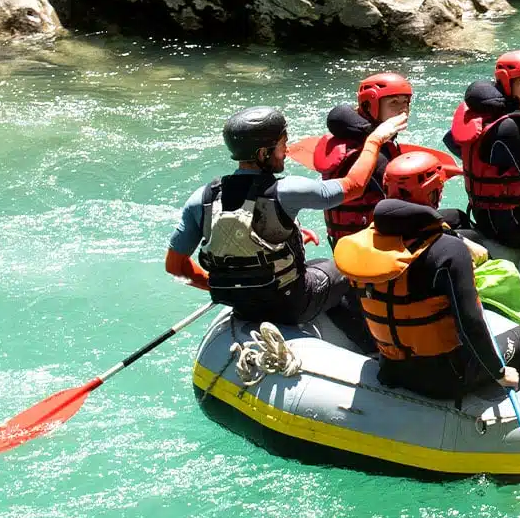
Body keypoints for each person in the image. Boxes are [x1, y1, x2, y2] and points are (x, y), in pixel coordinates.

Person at [164, 107, 402, 343]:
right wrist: (374, 140)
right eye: (282, 144)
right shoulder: (287, 190)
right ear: (262, 154)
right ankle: (372, 343)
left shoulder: (202, 198)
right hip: (291, 305)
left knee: (318, 264)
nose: (286, 150)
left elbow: (175, 266)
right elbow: (354, 185)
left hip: (239, 306)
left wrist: (228, 288)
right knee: (348, 265)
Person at [334, 197, 520, 400]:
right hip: (446, 379)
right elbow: (470, 323)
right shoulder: (448, 251)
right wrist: (499, 372)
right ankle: (502, 391)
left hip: (391, 369)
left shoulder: (366, 255)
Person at [444, 50, 520, 251]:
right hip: (511, 227)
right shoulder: (509, 127)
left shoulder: (482, 109)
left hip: (492, 213)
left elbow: (451, 140)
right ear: (506, 83)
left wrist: (486, 164)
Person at [312, 72, 411, 245]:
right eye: (394, 102)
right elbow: (408, 203)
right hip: (372, 249)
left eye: (406, 102)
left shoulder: (348, 141)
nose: (402, 109)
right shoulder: (377, 155)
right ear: (370, 105)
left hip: (344, 244)